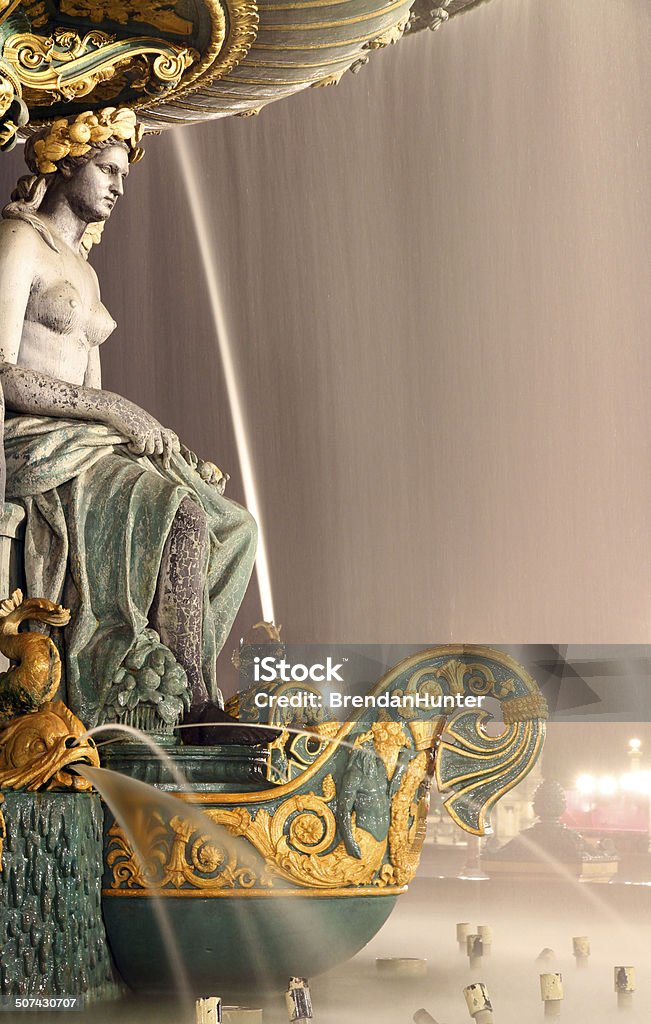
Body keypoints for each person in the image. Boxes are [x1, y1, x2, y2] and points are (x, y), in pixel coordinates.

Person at [0, 108, 258, 740]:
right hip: (28, 441)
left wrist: (135, 432)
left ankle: (174, 672)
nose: (118, 185)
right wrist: (117, 411)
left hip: (81, 439)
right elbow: (4, 373)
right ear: (65, 163)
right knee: (180, 510)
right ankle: (191, 697)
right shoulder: (17, 242)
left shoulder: (85, 272)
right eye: (108, 169)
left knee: (234, 524)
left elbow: (89, 391)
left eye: (123, 173)